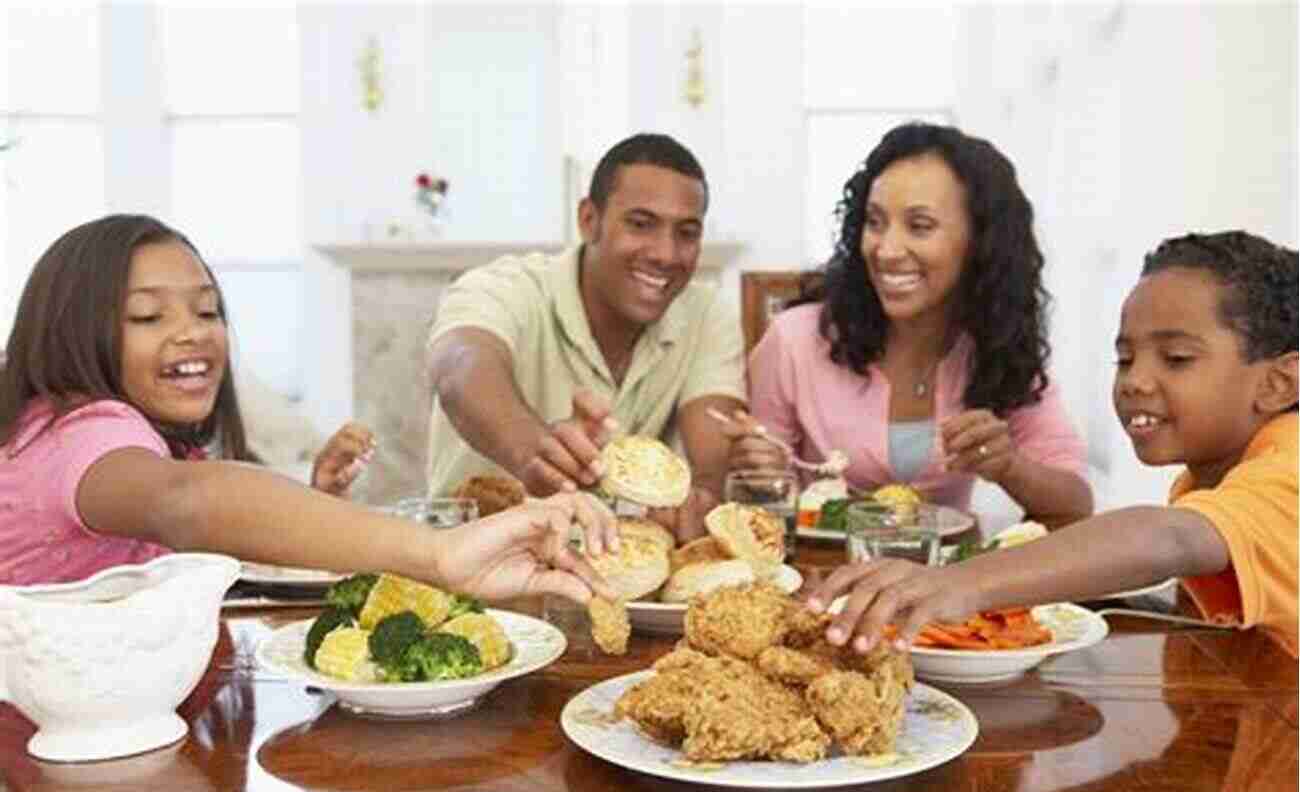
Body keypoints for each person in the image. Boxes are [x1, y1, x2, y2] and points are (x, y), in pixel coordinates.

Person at [0, 214, 618, 606]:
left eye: (208, 310)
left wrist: (311, 498)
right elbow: (185, 502)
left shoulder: (112, 444)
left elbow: (204, 533)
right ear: (72, 329)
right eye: (147, 316)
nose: (193, 333)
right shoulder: (84, 431)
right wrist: (439, 554)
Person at [810, 231, 1298, 657]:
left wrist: (961, 581)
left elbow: (1172, 539)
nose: (1135, 381)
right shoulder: (1212, 476)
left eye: (1176, 358)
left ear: (1279, 384)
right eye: (1125, 359)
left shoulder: (1289, 472)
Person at [726, 122, 1092, 528]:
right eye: (875, 222)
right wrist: (762, 474)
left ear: (980, 242)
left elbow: (1074, 504)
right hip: (819, 577)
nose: (886, 249)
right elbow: (758, 511)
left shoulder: (995, 347)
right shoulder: (793, 341)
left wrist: (1010, 466)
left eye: (920, 226)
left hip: (946, 584)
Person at [425, 133, 747, 541]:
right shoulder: (505, 286)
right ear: (588, 220)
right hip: (469, 568)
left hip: (611, 578)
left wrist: (703, 497)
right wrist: (532, 451)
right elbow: (458, 366)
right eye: (641, 224)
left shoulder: (706, 313)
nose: (665, 253)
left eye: (686, 232)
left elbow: (711, 448)